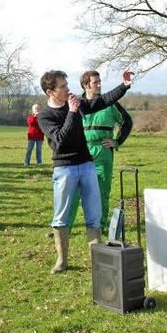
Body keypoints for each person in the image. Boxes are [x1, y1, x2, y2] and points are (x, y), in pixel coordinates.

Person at [37, 69, 133, 273]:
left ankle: (96, 261)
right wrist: (72, 113)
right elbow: (61, 140)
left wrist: (124, 86)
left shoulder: (77, 105)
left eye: (66, 84)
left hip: (87, 165)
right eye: (62, 86)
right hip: (65, 169)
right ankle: (62, 260)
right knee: (62, 216)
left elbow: (103, 100)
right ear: (50, 92)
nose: (67, 89)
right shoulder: (45, 116)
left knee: (94, 215)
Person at [66, 71, 133, 230]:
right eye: (96, 82)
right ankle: (65, 226)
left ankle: (99, 225)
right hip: (81, 152)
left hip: (102, 152)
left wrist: (117, 141)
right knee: (73, 191)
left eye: (99, 81)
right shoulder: (76, 104)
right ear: (85, 85)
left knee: (102, 191)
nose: (99, 85)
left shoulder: (109, 104)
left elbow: (127, 122)